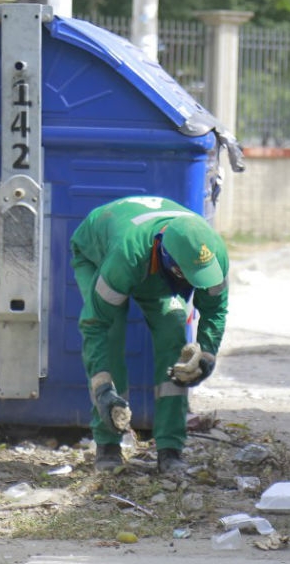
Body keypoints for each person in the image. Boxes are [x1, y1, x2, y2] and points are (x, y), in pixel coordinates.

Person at [69, 195, 229, 475]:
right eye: (188, 275)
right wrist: (103, 388)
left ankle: (170, 448)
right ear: (168, 257)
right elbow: (96, 325)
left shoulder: (213, 254)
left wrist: (206, 356)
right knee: (113, 333)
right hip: (101, 254)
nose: (195, 284)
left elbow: (215, 310)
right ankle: (108, 444)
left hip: (154, 264)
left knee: (174, 334)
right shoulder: (125, 257)